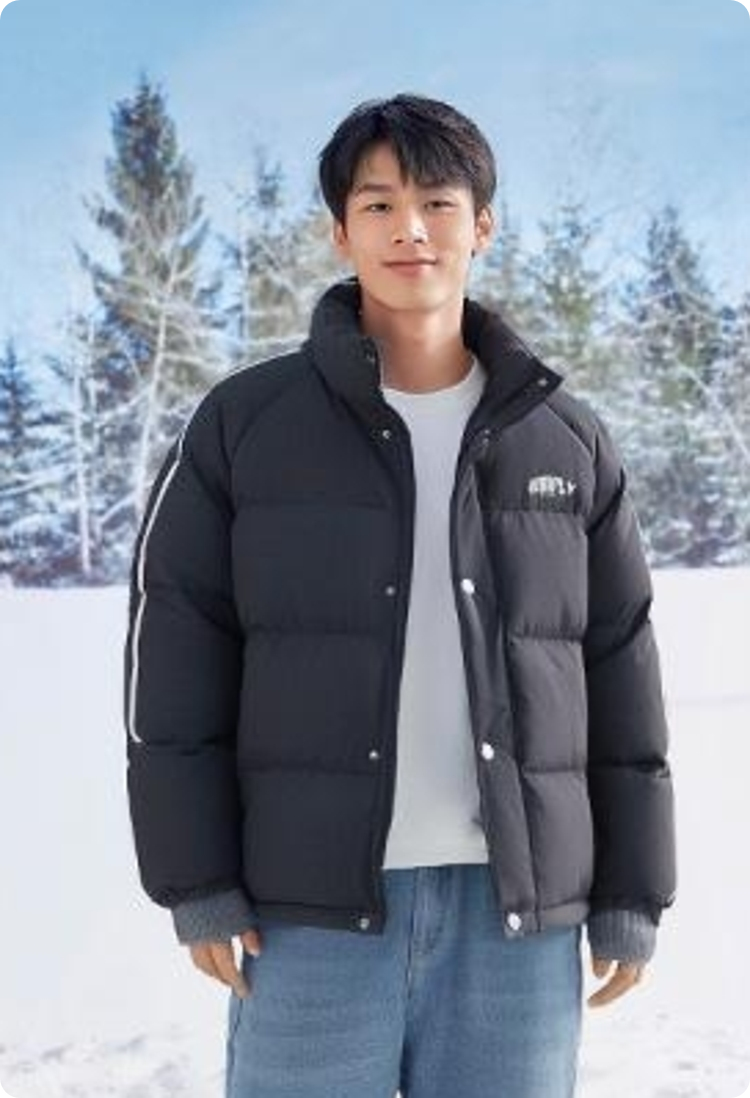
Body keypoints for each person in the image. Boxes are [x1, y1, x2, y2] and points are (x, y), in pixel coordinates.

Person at [124, 93, 677, 1098]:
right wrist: (196, 879)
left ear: (483, 225)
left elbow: (619, 669)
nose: (409, 228)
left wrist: (634, 891)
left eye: (437, 202)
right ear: (340, 233)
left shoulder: (566, 440)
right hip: (307, 918)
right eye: (377, 204)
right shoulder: (244, 426)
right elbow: (174, 662)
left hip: (515, 925)